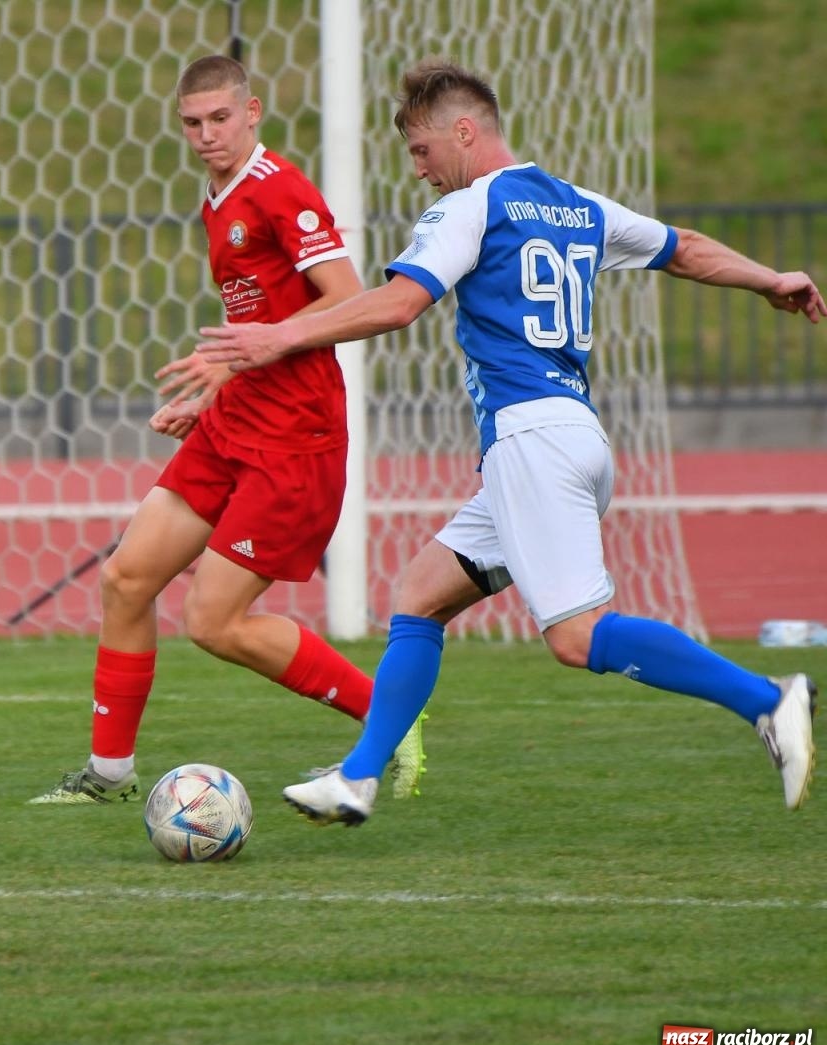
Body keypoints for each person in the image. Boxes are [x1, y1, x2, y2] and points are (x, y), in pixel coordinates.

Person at [197, 59, 823, 825]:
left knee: (575, 636)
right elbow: (682, 245)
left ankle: (768, 699)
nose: (420, 171)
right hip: (573, 438)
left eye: (423, 151)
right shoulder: (575, 203)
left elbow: (398, 304)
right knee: (421, 596)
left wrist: (280, 336)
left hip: (532, 441)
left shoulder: (471, 205)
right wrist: (769, 280)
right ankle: (358, 777)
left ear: (465, 131)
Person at [29, 56, 426, 805]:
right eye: (192, 123)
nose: (206, 134)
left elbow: (344, 298)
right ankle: (108, 776)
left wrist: (241, 357)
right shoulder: (216, 193)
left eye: (220, 118)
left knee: (213, 622)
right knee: (127, 578)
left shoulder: (280, 190)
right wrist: (218, 387)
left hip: (294, 436)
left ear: (253, 113)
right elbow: (254, 324)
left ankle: (388, 724)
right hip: (238, 417)